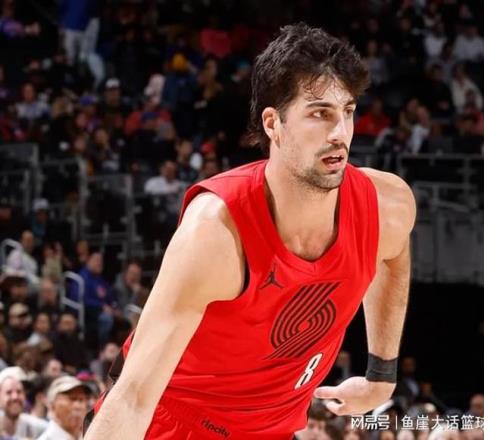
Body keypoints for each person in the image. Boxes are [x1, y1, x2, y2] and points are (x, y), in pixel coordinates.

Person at [85, 23, 416, 439]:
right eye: (319, 113)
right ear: (273, 123)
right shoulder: (215, 234)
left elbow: (394, 258)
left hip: (273, 430)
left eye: (347, 111)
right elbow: (133, 397)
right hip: (174, 424)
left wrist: (381, 375)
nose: (339, 133)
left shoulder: (386, 205)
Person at [37, 376, 91, 440]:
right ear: (52, 405)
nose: (78, 406)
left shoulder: (90, 436)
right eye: (72, 399)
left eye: (81, 400)